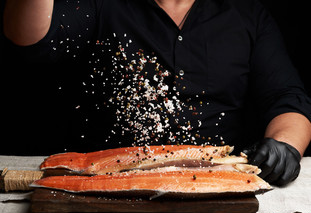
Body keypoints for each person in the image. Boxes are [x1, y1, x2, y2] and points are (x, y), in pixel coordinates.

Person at [3, 0, 311, 186]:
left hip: (217, 184)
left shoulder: (246, 13)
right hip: (109, 185)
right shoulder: (102, 4)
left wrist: (284, 146)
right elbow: (30, 39)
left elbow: (286, 97)